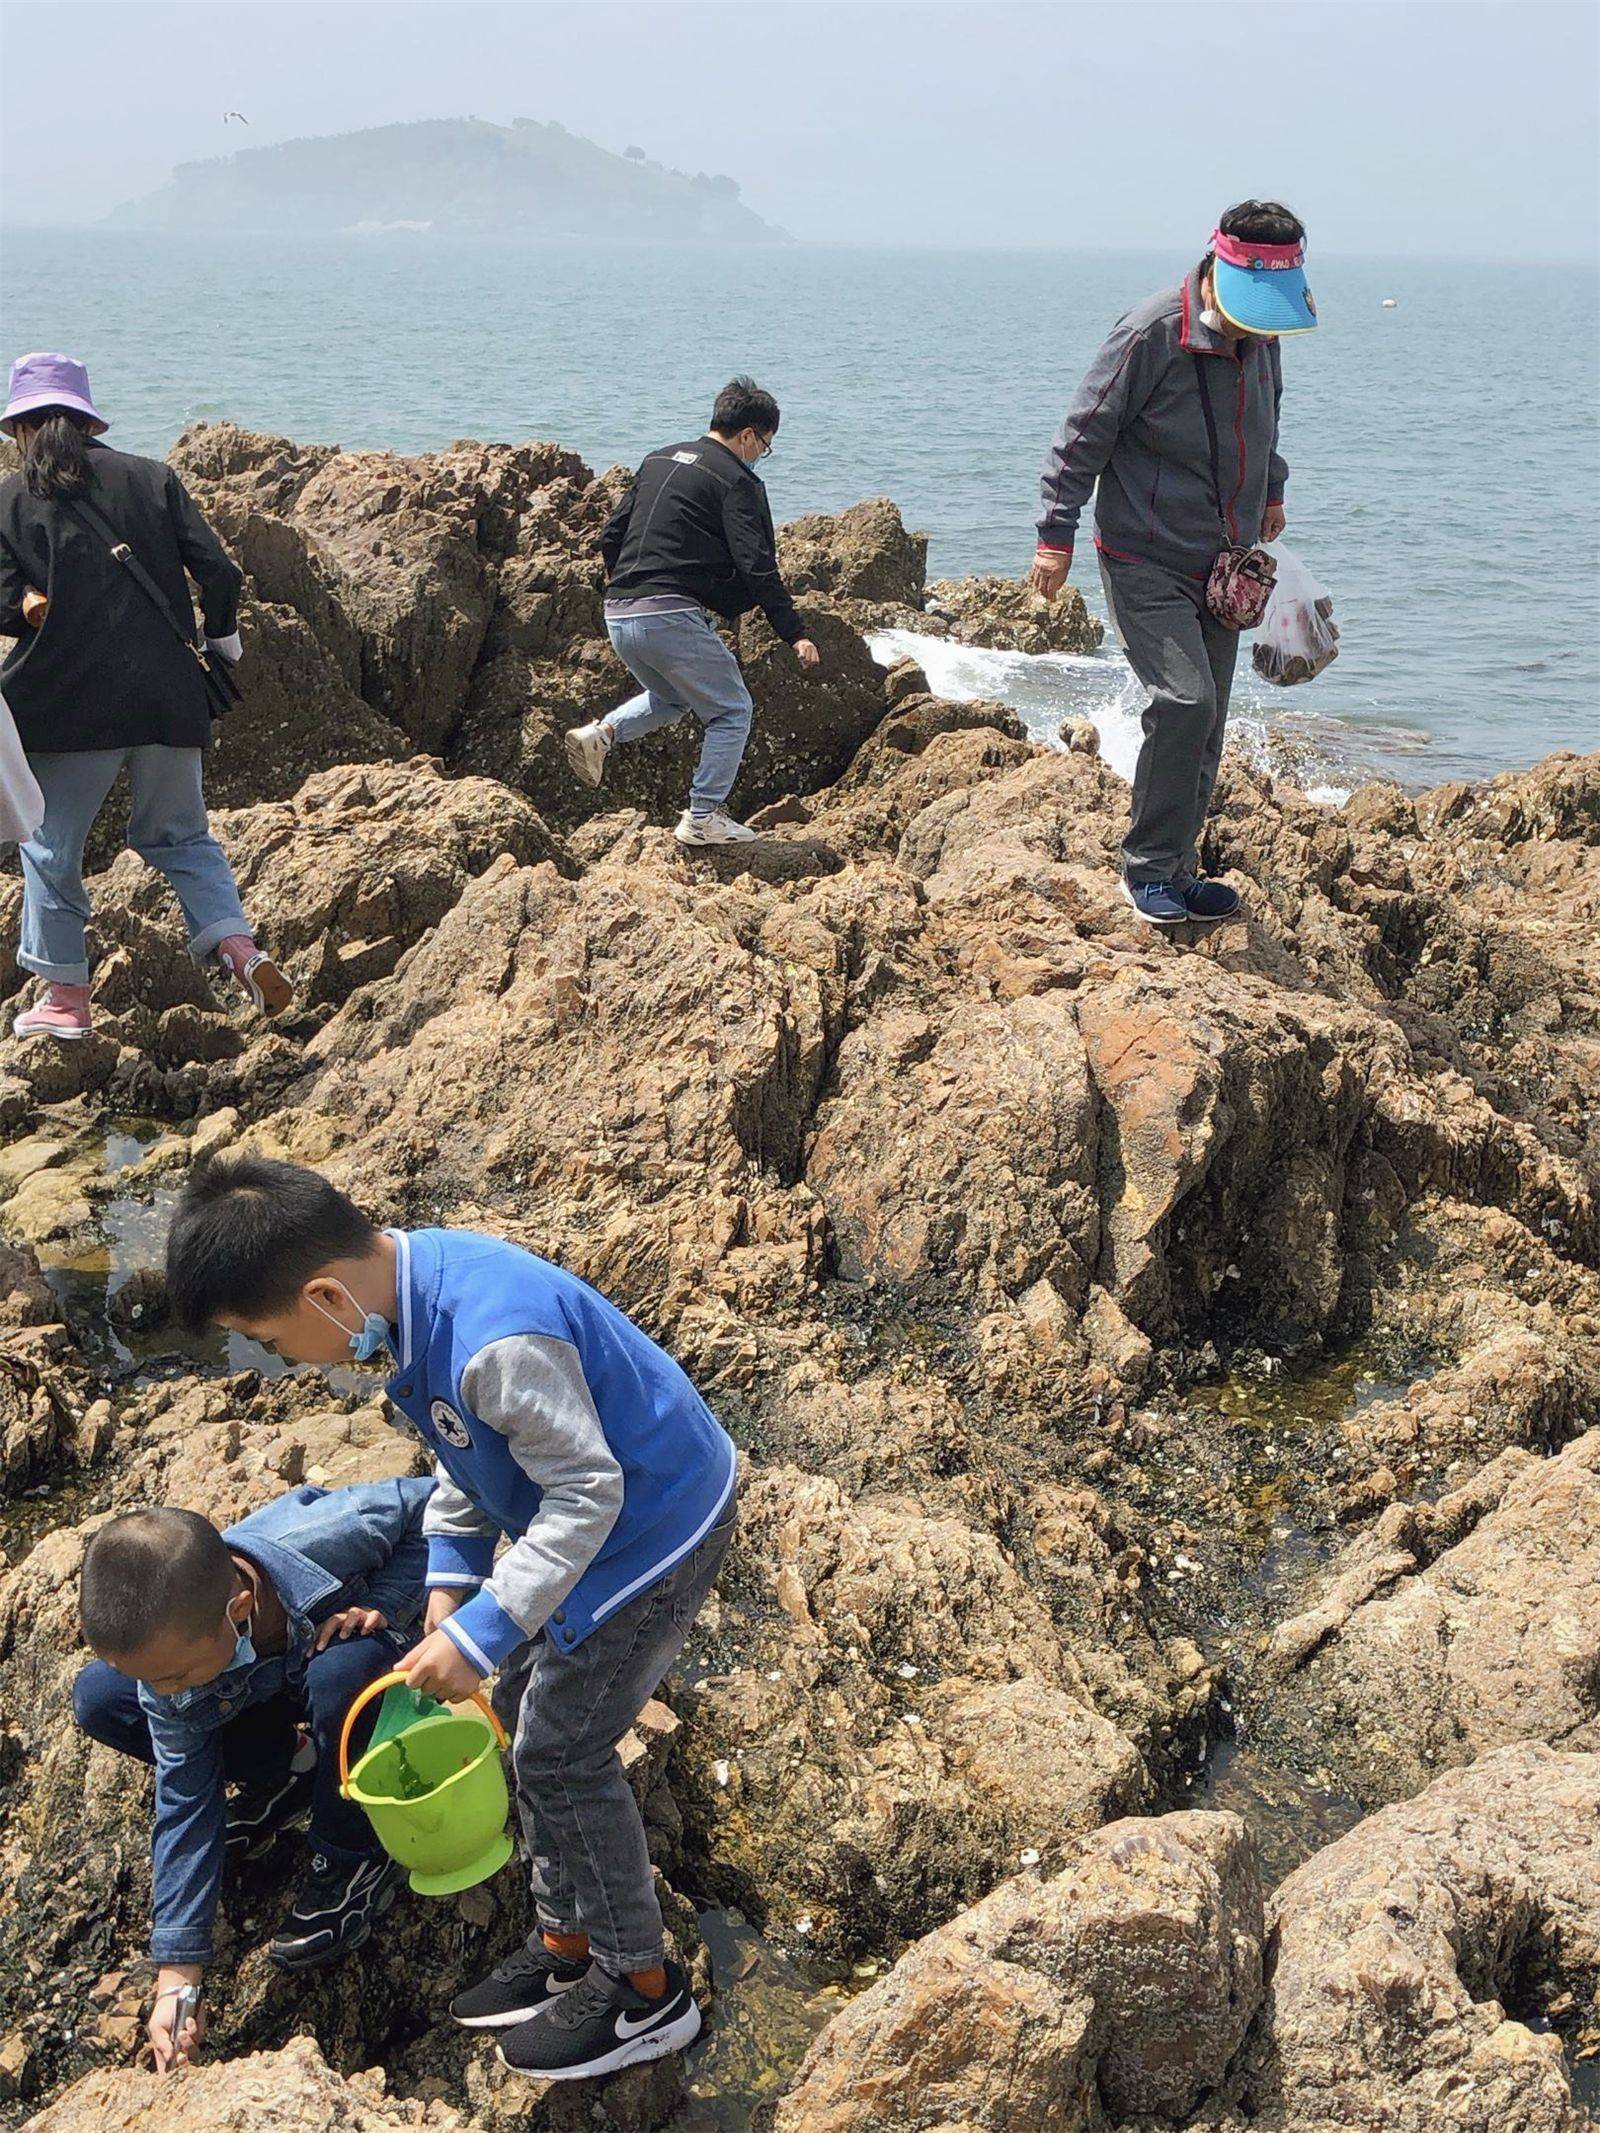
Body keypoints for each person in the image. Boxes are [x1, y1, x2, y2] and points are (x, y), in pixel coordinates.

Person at [164, 1156, 739, 2085]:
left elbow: (591, 1491)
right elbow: (464, 1461)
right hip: (595, 1523)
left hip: (658, 1528)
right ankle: (565, 1940)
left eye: (269, 1340)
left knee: (561, 1749)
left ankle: (644, 1988)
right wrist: (449, 1588)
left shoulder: (488, 1340)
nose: (278, 1361)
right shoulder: (405, 1302)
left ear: (323, 1295)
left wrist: (480, 1635)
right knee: (517, 1711)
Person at [71, 1479, 435, 2069]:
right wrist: (178, 1978)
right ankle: (290, 1770)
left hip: (345, 1654)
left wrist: (389, 1604)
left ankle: (353, 1852)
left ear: (238, 1610)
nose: (161, 1694)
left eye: (170, 1676)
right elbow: (184, 1801)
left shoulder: (334, 1531)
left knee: (345, 1674)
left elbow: (441, 1503)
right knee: (100, 1696)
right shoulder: (182, 1654)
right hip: (257, 1686)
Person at [1029, 202, 1318, 928]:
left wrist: (1272, 487)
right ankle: (1147, 869)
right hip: (1143, 554)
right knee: (1184, 701)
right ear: (1218, 269)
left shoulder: (1262, 339)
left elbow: (1266, 417)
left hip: (1224, 563)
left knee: (1210, 718)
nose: (1259, 328)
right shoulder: (1152, 332)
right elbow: (1081, 435)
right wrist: (1054, 534)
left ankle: (1180, 872)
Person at [0, 351, 292, 1040]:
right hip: (168, 697)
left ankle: (66, 998)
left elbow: (4, 599)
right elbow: (218, 571)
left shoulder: (10, 498)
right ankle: (240, 949)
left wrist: (35, 607)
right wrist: (221, 643)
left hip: (68, 706)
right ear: (86, 419)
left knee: (48, 844)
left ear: (19, 428)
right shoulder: (152, 478)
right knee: (183, 835)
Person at [567, 376, 822, 848]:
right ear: (748, 434)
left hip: (619, 614)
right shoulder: (736, 480)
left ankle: (602, 734)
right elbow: (756, 564)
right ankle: (704, 815)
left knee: (672, 697)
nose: (760, 455)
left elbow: (610, 536)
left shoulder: (658, 458)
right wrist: (794, 632)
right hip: (667, 615)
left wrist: (630, 589)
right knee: (731, 710)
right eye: (764, 445)